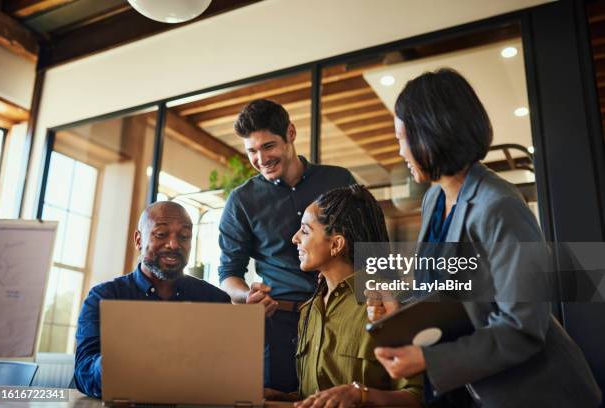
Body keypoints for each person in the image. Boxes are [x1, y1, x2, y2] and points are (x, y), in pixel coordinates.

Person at [368, 68, 601, 407]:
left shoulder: (500, 205)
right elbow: (449, 294)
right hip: (472, 392)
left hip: (537, 394)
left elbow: (522, 326)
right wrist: (398, 310)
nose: (400, 151)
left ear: (432, 134)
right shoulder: (434, 198)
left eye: (401, 138)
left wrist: (429, 360)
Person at [218, 99, 356, 392]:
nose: (261, 159)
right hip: (278, 325)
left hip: (341, 318)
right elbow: (228, 274)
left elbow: (372, 246)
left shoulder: (339, 180)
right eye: (252, 151)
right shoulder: (241, 201)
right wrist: (247, 295)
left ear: (290, 133)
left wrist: (378, 304)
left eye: (268, 146)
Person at [74, 201, 230, 398]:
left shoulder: (215, 301)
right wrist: (113, 362)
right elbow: (83, 373)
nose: (174, 244)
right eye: (161, 234)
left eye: (184, 236)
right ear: (139, 240)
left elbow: (228, 372)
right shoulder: (103, 298)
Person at [288, 185, 422, 408]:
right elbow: (316, 395)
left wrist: (360, 395)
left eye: (305, 230)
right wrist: (281, 397)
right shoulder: (308, 311)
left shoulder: (391, 302)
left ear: (336, 244)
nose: (295, 238)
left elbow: (415, 398)